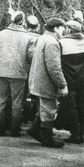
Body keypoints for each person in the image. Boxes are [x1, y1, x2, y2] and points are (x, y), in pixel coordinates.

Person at [0, 9, 35, 137]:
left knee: (1, 100)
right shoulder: (28, 37)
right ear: (22, 21)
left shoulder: (0, 34)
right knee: (17, 102)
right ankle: (15, 130)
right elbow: (31, 57)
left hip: (2, 72)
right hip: (19, 74)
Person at [27, 17, 69, 148]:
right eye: (62, 27)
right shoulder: (52, 42)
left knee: (44, 109)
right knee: (49, 110)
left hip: (38, 80)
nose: (64, 30)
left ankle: (35, 130)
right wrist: (62, 85)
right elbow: (54, 67)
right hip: (46, 82)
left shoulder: (43, 38)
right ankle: (47, 139)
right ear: (56, 28)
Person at [59, 19, 84, 143]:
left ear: (69, 30)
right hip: (82, 77)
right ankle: (81, 132)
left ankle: (75, 133)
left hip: (69, 77)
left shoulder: (63, 42)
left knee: (71, 106)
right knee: (81, 104)